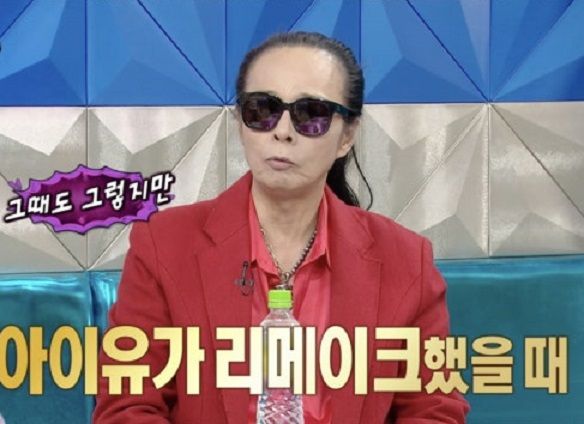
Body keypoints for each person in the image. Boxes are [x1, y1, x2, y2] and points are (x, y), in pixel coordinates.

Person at [93, 31, 469, 423]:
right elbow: (127, 404)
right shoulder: (164, 244)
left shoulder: (406, 260)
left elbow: (435, 409)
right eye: (263, 109)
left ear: (347, 136)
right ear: (240, 122)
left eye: (311, 114)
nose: (282, 131)